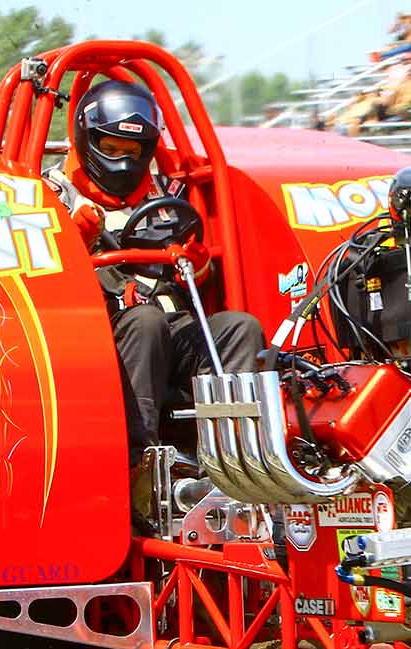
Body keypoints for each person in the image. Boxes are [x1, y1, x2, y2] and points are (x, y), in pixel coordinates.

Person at [49, 79, 264, 453]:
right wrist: (72, 242)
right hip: (100, 330)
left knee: (239, 328)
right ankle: (137, 460)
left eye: (132, 150)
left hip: (171, 323)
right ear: (88, 140)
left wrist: (197, 266)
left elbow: (196, 272)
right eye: (112, 148)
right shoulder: (55, 193)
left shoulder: (164, 193)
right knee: (145, 321)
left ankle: (239, 456)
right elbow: (39, 275)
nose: (122, 160)